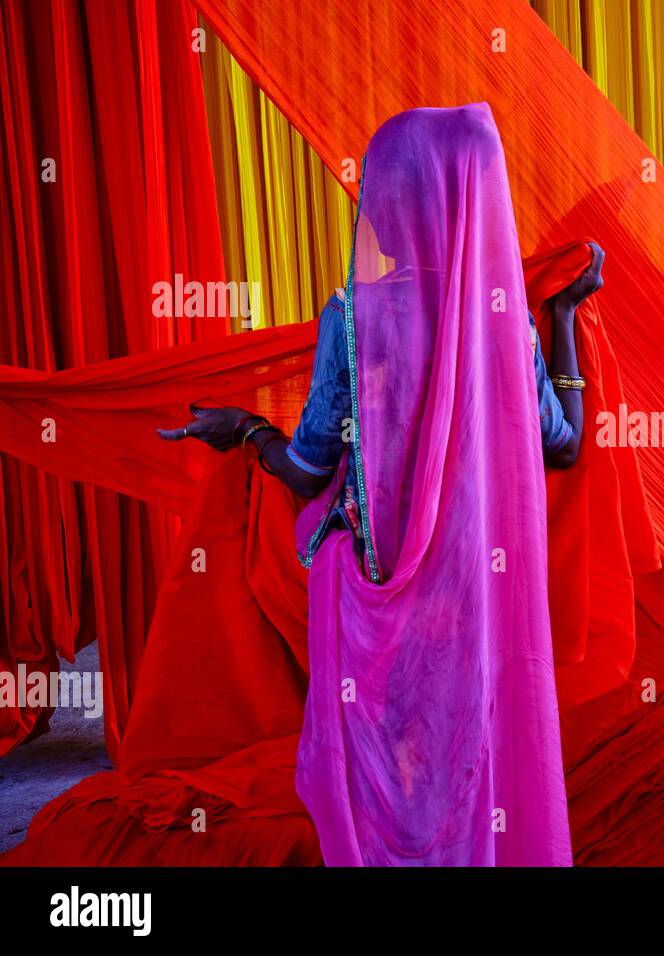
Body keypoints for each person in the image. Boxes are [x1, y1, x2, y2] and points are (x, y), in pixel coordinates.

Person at [158, 105, 593, 865]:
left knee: (380, 784)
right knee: (466, 762)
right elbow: (565, 446)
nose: (371, 211)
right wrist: (562, 320)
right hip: (472, 602)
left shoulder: (354, 316)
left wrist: (247, 430)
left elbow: (307, 467)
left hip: (371, 603)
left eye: (381, 193)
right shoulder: (506, 324)